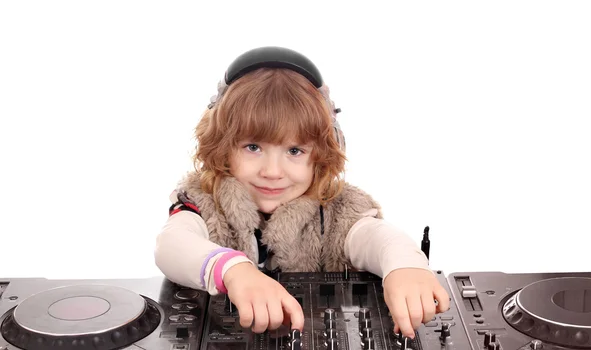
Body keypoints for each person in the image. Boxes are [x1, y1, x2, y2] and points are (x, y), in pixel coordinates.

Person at [154, 46, 450, 339]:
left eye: (294, 150)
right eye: (253, 147)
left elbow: (377, 237)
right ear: (221, 146)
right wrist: (233, 270)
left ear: (322, 153)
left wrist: (405, 265)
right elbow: (172, 245)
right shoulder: (202, 200)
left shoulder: (337, 210)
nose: (272, 171)